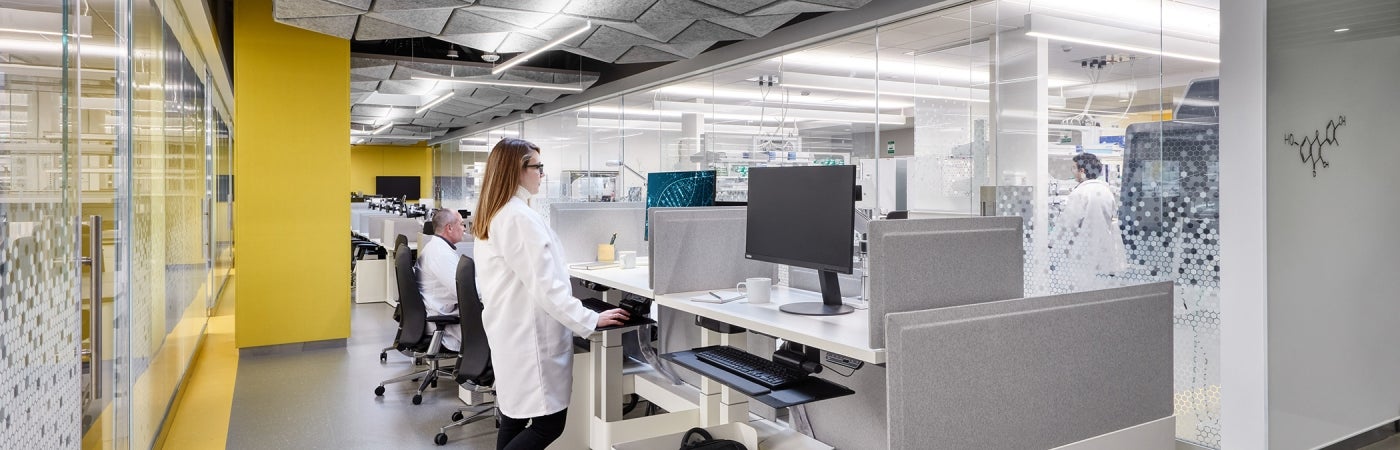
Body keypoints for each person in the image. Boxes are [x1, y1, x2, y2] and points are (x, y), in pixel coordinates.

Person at [472, 138, 630, 450]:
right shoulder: (517, 217)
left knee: (514, 418)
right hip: (529, 338)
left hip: (510, 331)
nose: (542, 174)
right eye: (537, 167)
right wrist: (590, 319)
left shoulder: (500, 212)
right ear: (518, 171)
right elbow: (546, 287)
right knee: (548, 425)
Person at [1055, 153, 1128, 291]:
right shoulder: (1106, 191)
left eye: (1074, 168)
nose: (1073, 172)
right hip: (1104, 249)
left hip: (1082, 251)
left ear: (1082, 171)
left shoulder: (1080, 193)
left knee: (1080, 290)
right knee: (1100, 289)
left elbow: (1067, 224)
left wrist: (1051, 244)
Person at [417, 208, 467, 351]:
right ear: (449, 228)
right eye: (462, 224)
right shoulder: (440, 254)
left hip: (440, 310)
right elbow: (462, 291)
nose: (464, 228)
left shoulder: (437, 247)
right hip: (443, 321)